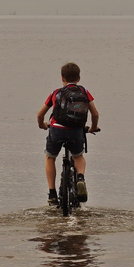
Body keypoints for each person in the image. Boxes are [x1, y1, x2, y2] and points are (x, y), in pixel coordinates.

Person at [36, 62, 100, 205]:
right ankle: (81, 178)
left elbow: (40, 115)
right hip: (76, 131)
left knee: (50, 157)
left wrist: (42, 125)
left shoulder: (56, 93)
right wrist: (93, 127)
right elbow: (95, 114)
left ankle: (52, 194)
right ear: (78, 78)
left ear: (62, 78)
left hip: (57, 129)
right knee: (78, 156)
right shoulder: (84, 92)